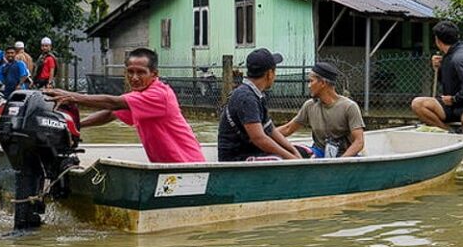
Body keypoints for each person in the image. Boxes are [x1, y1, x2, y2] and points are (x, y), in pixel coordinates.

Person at [44, 47, 205, 163]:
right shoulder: (139, 95)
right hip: (165, 167)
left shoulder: (159, 95)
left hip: (187, 165)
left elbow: (113, 102)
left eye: (141, 72)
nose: (134, 77)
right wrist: (76, 126)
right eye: (130, 71)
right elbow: (110, 112)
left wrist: (72, 96)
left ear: (154, 74)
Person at [217, 48, 302, 161]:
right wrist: (292, 159)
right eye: (274, 71)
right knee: (279, 160)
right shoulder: (246, 98)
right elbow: (259, 138)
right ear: (270, 74)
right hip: (236, 157)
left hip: (251, 151)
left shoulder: (257, 94)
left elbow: (270, 130)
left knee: (303, 152)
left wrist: (294, 152)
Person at [411, 20, 463, 134]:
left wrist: (454, 99)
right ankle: (447, 132)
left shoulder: (460, 58)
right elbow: (446, 81)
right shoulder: (449, 55)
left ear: (437, 40)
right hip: (450, 105)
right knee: (418, 104)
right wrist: (437, 68)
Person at [277, 62, 365, 158]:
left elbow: (359, 142)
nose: (309, 86)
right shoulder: (310, 105)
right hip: (319, 152)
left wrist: (340, 162)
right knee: (293, 151)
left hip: (344, 155)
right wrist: (265, 136)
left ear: (323, 83)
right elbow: (288, 128)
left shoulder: (349, 107)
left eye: (311, 81)